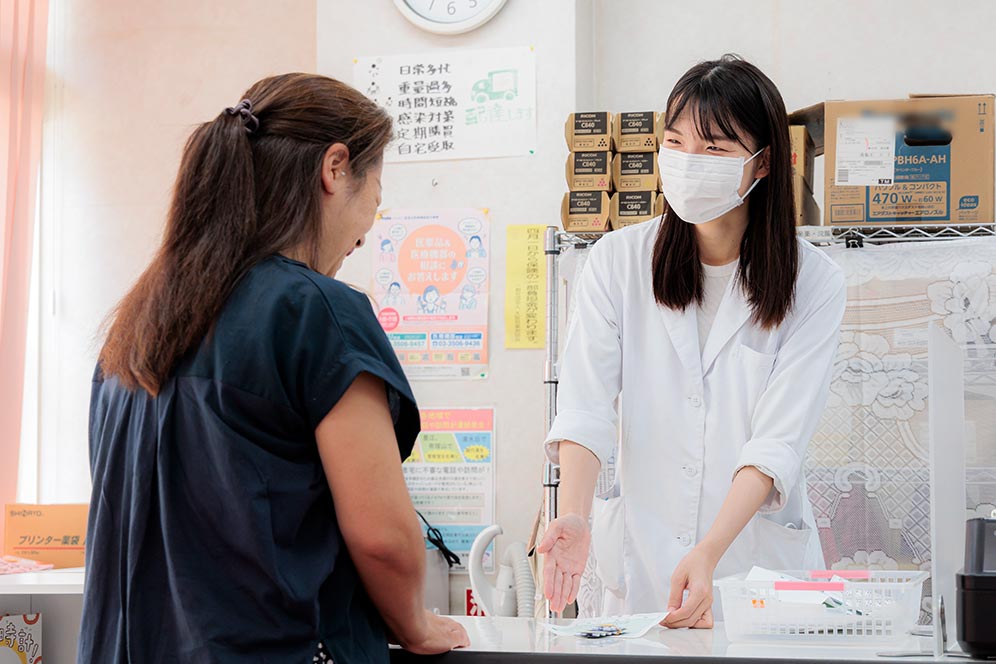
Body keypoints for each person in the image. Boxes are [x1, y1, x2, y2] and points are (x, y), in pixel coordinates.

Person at [79, 73, 469, 663]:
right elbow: (382, 538)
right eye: (376, 193)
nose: (366, 233)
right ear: (335, 168)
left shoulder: (136, 322)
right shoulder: (316, 313)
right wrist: (415, 624)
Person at [537, 55, 846, 629]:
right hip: (644, 563)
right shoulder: (616, 262)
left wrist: (709, 553)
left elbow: (776, 443)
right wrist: (574, 514)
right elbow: (584, 408)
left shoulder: (814, 282)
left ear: (763, 162)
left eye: (714, 148)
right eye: (675, 143)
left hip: (750, 569)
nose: (688, 162)